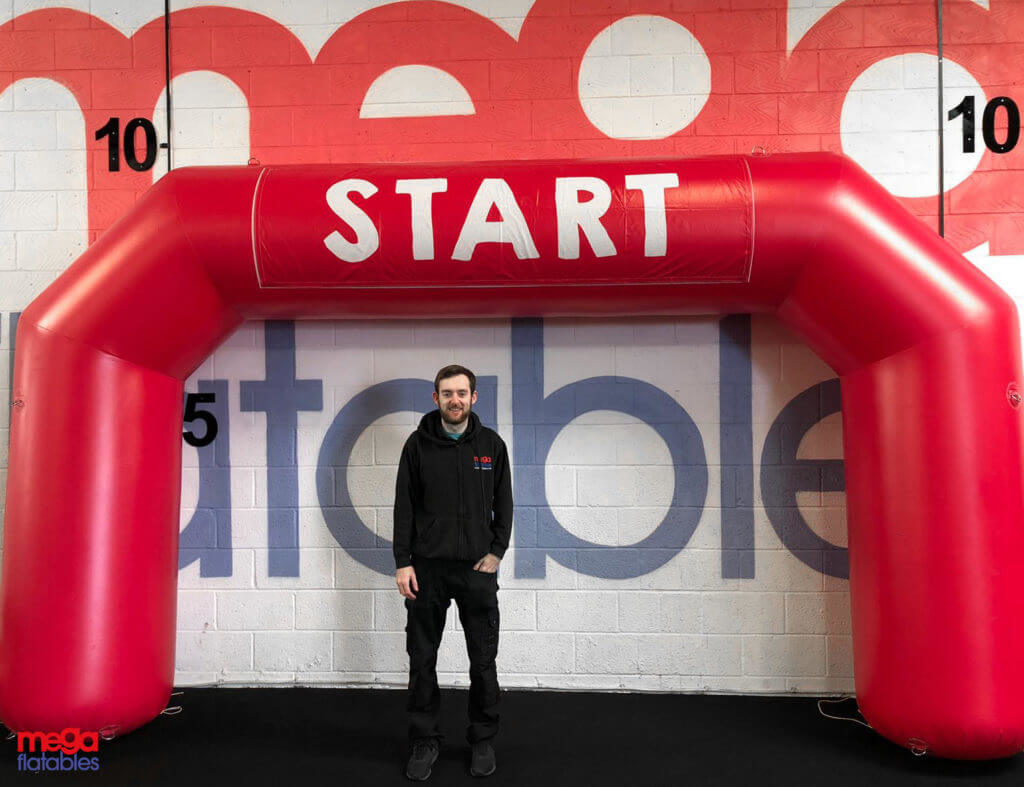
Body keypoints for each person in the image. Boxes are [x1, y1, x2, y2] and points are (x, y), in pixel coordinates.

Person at [393, 364, 513, 781]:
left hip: (476, 571)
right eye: (447, 394)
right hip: (427, 570)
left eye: (462, 393)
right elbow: (404, 507)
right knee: (422, 659)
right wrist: (403, 561)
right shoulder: (417, 446)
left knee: (483, 660)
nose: (455, 400)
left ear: (473, 397)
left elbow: (505, 503)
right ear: (436, 398)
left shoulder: (491, 446)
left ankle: (482, 739)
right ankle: (424, 740)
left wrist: (497, 552)